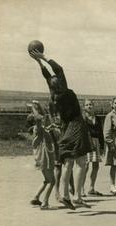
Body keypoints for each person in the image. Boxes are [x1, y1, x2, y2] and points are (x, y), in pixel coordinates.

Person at [30, 50, 92, 210]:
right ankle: (77, 196)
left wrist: (39, 62)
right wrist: (43, 58)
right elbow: (59, 69)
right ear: (60, 83)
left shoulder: (53, 95)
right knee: (82, 162)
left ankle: (64, 195)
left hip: (66, 128)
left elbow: (47, 76)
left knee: (68, 162)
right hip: (76, 125)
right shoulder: (64, 90)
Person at [27, 101, 56, 210]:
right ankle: (45, 203)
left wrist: (49, 127)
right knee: (52, 181)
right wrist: (35, 107)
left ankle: (36, 197)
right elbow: (39, 118)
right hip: (45, 159)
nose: (43, 118)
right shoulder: (38, 128)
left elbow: (41, 122)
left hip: (43, 159)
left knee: (47, 180)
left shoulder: (40, 130)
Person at [82, 99, 104, 196]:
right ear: (84, 107)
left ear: (93, 106)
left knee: (96, 166)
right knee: (85, 166)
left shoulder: (97, 118)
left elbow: (101, 133)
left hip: (96, 143)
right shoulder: (82, 118)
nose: (89, 106)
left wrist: (102, 145)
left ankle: (91, 188)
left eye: (91, 104)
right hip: (86, 143)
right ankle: (81, 188)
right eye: (87, 105)